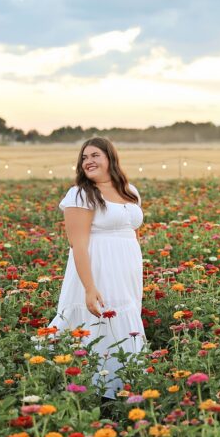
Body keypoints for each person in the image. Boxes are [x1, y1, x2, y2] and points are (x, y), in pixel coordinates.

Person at [49, 138, 145, 399]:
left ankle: (125, 387)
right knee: (96, 322)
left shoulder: (130, 191)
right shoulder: (80, 194)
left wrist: (135, 270)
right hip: (97, 268)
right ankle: (93, 391)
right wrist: (89, 288)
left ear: (110, 158)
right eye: (83, 157)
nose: (88, 161)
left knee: (125, 320)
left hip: (126, 270)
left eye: (95, 155)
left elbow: (130, 233)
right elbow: (77, 245)